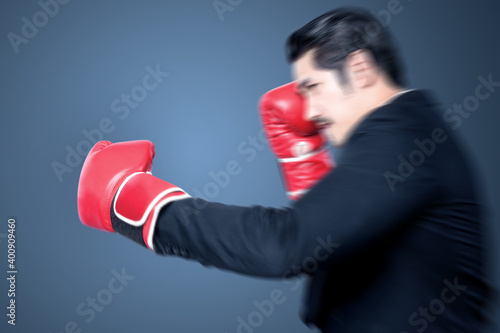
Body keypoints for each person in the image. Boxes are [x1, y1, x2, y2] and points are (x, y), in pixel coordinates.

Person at [76, 6, 492, 332]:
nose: (308, 111)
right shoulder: (405, 134)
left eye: (312, 87)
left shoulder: (406, 138)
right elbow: (337, 257)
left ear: (360, 70)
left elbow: (285, 247)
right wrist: (306, 168)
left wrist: (136, 202)